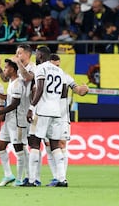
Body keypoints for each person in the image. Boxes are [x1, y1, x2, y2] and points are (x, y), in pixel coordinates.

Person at [24, 46, 66, 187]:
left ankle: (31, 180)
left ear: (41, 55)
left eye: (37, 54)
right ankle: (62, 179)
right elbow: (63, 92)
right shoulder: (60, 71)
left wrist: (31, 107)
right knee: (55, 145)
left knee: (35, 143)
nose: (36, 56)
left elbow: (40, 89)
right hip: (56, 111)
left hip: (42, 111)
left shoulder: (41, 68)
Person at [45, 54, 88, 186]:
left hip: (62, 116)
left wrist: (83, 90)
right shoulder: (43, 77)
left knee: (62, 144)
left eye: (58, 65)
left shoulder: (66, 77)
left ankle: (62, 177)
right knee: (48, 146)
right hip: (47, 115)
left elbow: (77, 89)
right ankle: (55, 177)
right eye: (54, 65)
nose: (56, 68)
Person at [0, 59, 28, 187]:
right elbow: (3, 78)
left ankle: (19, 179)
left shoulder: (18, 83)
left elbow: (15, 103)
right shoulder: (11, 81)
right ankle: (8, 175)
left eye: (6, 68)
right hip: (9, 120)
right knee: (1, 146)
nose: (4, 70)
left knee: (18, 149)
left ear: (13, 70)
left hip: (17, 121)